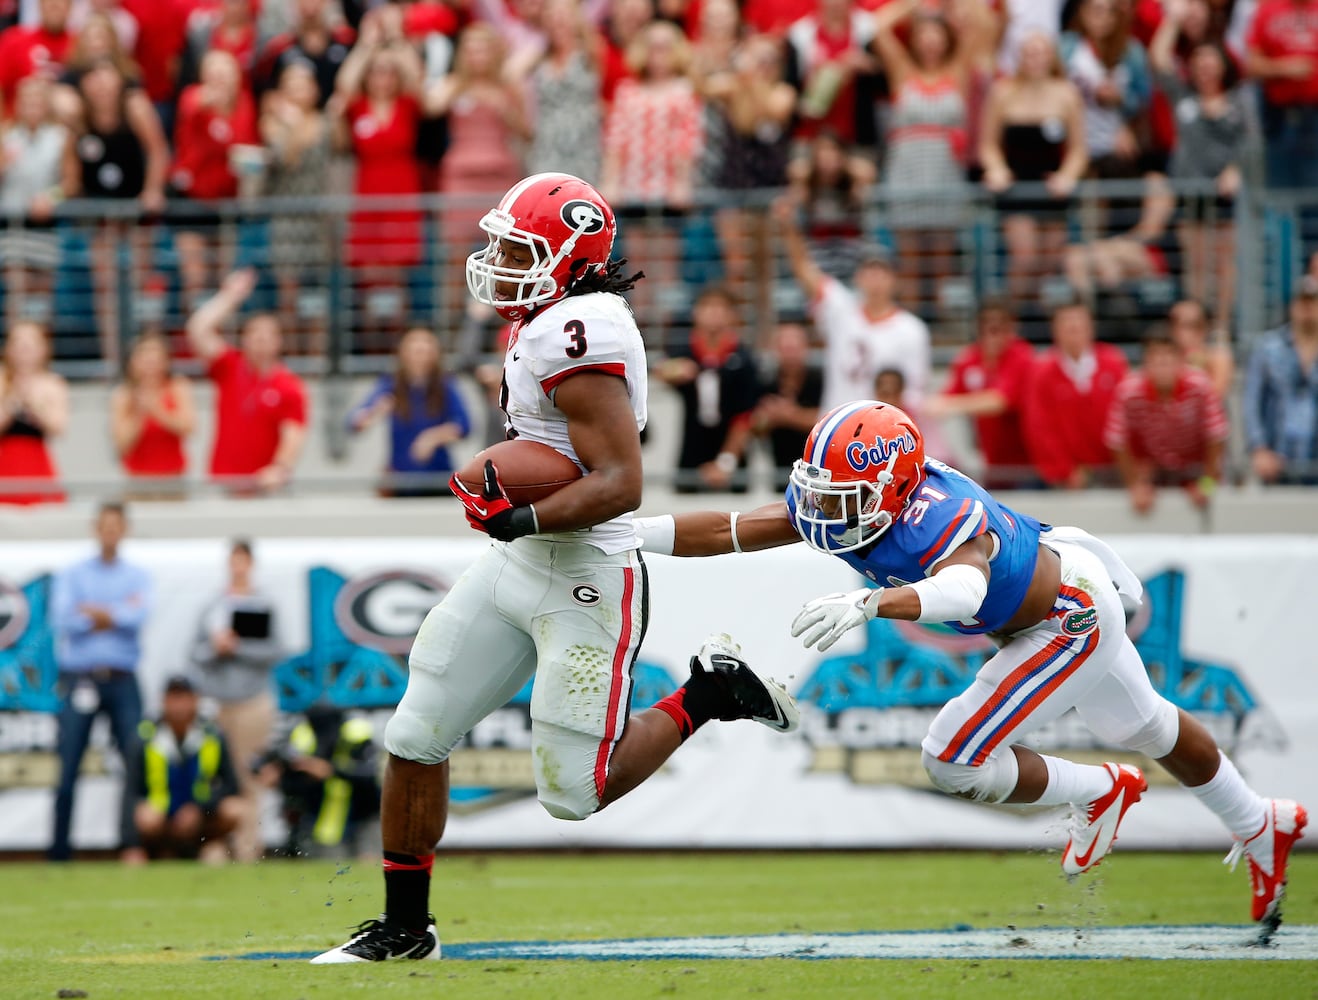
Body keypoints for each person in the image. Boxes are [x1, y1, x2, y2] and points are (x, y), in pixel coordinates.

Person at [311, 172, 799, 964]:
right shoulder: (546, 319)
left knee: (574, 793)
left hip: (587, 573)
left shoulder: (581, 328)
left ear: (572, 258)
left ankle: (708, 692)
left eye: (519, 247)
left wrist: (521, 512)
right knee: (414, 731)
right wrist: (518, 525)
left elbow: (620, 482)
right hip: (517, 562)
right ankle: (406, 930)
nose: (500, 259)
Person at [633, 399, 1308, 931]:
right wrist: (629, 532)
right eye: (819, 494)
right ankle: (1258, 820)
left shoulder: (937, 514)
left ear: (892, 490)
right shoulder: (862, 500)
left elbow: (965, 590)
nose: (821, 513)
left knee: (950, 758)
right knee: (1150, 725)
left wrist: (875, 603)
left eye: (840, 499)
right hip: (1052, 597)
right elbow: (728, 529)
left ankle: (1099, 789)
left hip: (1061, 619)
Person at [48, 501, 151, 862]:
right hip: (82, 678)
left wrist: (94, 611)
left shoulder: (137, 574)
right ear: (97, 528)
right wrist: (115, 613)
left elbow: (137, 617)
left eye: (116, 526)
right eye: (105, 526)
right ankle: (59, 850)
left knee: (135, 758)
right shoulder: (74, 573)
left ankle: (131, 844)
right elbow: (64, 618)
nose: (110, 532)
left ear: (125, 529)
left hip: (122, 679)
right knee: (69, 762)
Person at [775, 195, 931, 414]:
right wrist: (789, 227)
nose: (875, 279)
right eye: (869, 271)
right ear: (858, 277)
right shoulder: (840, 309)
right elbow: (804, 270)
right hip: (837, 423)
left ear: (895, 279)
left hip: (880, 434)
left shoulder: (911, 330)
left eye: (882, 272)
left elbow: (913, 392)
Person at [190, 538, 282, 862]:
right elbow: (195, 653)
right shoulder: (213, 605)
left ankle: (248, 846)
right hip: (219, 702)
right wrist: (216, 648)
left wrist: (237, 647)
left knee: (249, 777)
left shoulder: (262, 603)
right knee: (214, 778)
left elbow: (273, 651)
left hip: (251, 701)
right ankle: (215, 844)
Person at [185, 267, 308, 493]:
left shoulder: (289, 384)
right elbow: (198, 329)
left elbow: (294, 432)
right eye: (254, 333)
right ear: (244, 339)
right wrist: (229, 297)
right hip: (222, 481)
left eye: (268, 334)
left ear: (279, 341)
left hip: (262, 485)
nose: (261, 340)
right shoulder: (230, 365)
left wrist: (279, 468)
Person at [1103, 326, 1228, 514]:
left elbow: (1216, 435)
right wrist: (1135, 484)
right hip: (1151, 469)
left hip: (1195, 466)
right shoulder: (1128, 392)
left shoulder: (1200, 386)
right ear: (1146, 362)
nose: (1163, 365)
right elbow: (1116, 439)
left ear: (1181, 361)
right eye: (1156, 359)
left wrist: (1207, 483)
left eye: (1168, 359)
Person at [655, 285, 762, 493]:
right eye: (708, 306)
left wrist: (725, 462)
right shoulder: (684, 351)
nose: (714, 313)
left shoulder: (744, 359)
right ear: (696, 313)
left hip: (732, 458)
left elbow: (745, 416)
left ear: (733, 315)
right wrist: (676, 370)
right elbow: (660, 370)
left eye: (721, 307)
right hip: (691, 451)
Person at [923, 298, 1037, 489]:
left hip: (1027, 464)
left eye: (1000, 328)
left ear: (1011, 328)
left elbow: (1000, 401)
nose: (994, 336)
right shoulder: (970, 360)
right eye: (988, 328)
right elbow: (942, 400)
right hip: (992, 465)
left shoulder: (1021, 355)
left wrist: (951, 405)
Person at [346, 326, 472, 496]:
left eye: (426, 345)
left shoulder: (445, 385)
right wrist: (373, 412)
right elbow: (353, 422)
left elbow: (465, 426)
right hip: (401, 480)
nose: (420, 352)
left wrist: (433, 437)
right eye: (414, 346)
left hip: (438, 479)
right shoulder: (390, 384)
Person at [132, 675, 246, 863]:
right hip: (164, 816)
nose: (179, 706)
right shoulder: (145, 736)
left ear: (196, 701)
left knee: (235, 808)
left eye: (184, 698)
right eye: (174, 698)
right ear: (164, 701)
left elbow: (231, 785)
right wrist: (132, 845)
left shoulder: (212, 734)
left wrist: (199, 808)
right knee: (146, 816)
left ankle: (212, 846)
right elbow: (131, 791)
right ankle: (159, 851)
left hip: (201, 817)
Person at [1021, 299, 1127, 488]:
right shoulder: (1041, 372)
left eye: (1079, 321)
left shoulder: (1114, 363)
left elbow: (1125, 418)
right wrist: (1064, 470)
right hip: (1068, 479)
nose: (1073, 326)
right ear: (1055, 330)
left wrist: (1127, 467)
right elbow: (1039, 427)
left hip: (1115, 471)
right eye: (1066, 322)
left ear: (1090, 327)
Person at [254, 706, 381, 859]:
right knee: (329, 862)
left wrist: (332, 770)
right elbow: (266, 763)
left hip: (362, 814)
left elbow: (372, 777)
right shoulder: (300, 733)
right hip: (318, 818)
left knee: (369, 859)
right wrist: (278, 772)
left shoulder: (357, 734)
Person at [1241, 274, 1318, 486]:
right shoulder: (1267, 348)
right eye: (1303, 301)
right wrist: (1259, 449)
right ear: (1292, 305)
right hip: (1276, 460)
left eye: (1313, 302)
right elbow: (1251, 401)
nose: (1307, 308)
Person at [109, 332, 194, 488]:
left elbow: (188, 427)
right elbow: (121, 444)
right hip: (137, 480)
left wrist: (157, 410)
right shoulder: (123, 394)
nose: (150, 363)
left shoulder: (177, 386)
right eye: (144, 357)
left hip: (173, 478)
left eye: (155, 357)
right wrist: (139, 414)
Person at [0, 319, 67, 505]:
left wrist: (34, 404)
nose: (24, 349)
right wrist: (13, 399)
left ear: (43, 348)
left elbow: (58, 428)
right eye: (18, 342)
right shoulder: (1, 380)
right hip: (5, 460)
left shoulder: (53, 383)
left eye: (30, 343)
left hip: (37, 461)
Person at [751, 321, 823, 492]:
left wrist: (788, 415)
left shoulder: (820, 381)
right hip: (779, 469)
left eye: (795, 347)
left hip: (818, 472)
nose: (790, 354)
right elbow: (755, 426)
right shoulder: (766, 383)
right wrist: (765, 419)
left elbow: (829, 421)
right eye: (785, 348)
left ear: (806, 348)